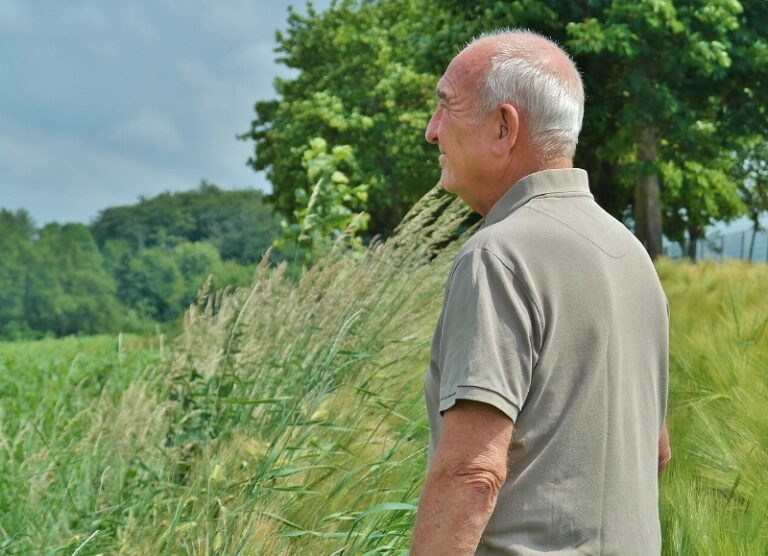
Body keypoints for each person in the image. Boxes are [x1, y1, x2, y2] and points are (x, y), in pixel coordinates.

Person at [410, 29, 671, 555]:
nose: (431, 132)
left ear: (504, 127)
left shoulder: (498, 256)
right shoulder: (631, 254)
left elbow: (472, 473)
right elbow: (656, 450)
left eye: (445, 109)